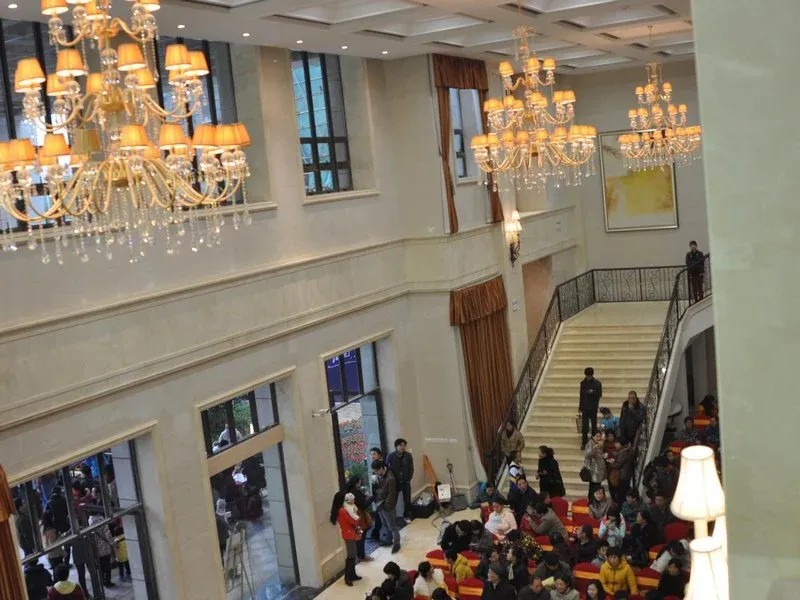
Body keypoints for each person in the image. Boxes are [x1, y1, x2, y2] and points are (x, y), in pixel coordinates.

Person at [333, 492, 363, 586]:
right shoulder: (342, 510)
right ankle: (348, 577)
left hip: (349, 533)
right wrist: (358, 518)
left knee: (352, 555)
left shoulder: (340, 509)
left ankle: (352, 575)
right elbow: (352, 521)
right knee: (351, 555)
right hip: (349, 534)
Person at [371, 460, 401, 553]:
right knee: (385, 524)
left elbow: (391, 495)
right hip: (380, 504)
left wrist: (387, 506)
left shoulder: (390, 478)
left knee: (392, 526)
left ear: (381, 468)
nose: (375, 473)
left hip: (387, 506)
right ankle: (389, 540)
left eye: (376, 471)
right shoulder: (381, 476)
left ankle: (397, 543)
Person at [345, 475, 373, 561]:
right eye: (360, 481)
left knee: (358, 537)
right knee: (361, 536)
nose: (361, 483)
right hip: (359, 518)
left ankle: (359, 555)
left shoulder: (350, 491)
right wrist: (371, 498)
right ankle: (362, 556)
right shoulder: (356, 492)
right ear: (356, 483)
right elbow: (363, 505)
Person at [386, 438, 415, 521]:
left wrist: (409, 478)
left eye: (404, 445)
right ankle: (392, 518)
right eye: (400, 445)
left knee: (407, 500)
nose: (403, 447)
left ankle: (407, 515)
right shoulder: (390, 456)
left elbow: (411, 468)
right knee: (393, 500)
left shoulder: (408, 455)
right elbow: (387, 469)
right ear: (396, 446)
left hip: (406, 481)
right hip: (395, 483)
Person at [88, 514, 115, 588]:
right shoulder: (102, 520)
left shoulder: (89, 521)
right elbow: (107, 534)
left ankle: (102, 580)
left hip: (96, 549)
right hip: (105, 547)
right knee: (107, 566)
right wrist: (112, 544)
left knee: (100, 566)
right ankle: (108, 581)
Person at [579, 368, 603, 449]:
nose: (588, 377)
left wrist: (592, 392)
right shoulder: (583, 383)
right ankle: (584, 443)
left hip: (593, 407)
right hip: (585, 407)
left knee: (594, 426)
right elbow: (581, 395)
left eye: (589, 376)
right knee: (584, 426)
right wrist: (580, 406)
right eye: (587, 376)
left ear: (592, 375)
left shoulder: (597, 383)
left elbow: (600, 394)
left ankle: (593, 442)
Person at [584, 432, 607, 500]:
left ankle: (596, 501)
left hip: (599, 470)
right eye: (597, 436)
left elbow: (600, 454)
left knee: (597, 487)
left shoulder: (600, 443)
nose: (598, 438)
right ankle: (592, 501)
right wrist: (594, 448)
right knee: (593, 488)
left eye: (599, 436)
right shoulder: (590, 444)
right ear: (593, 437)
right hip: (593, 470)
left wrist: (604, 455)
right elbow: (587, 456)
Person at [368, 447, 385, 541]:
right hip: (376, 495)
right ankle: (376, 533)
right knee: (379, 515)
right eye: (371, 454)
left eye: (374, 454)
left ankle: (376, 533)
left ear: (379, 455)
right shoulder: (373, 465)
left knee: (380, 515)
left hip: (381, 495)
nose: (372, 456)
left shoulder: (381, 466)